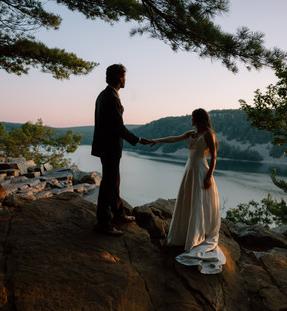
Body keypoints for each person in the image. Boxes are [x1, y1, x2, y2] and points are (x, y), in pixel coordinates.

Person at [150, 108, 226, 274]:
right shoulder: (192, 133)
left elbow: (213, 157)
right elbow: (174, 139)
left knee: (198, 202)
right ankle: (185, 234)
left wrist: (208, 177)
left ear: (198, 119)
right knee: (187, 201)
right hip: (189, 170)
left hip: (200, 171)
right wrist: (157, 140)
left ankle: (197, 236)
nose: (190, 119)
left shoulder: (208, 134)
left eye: (192, 117)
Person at [91, 64, 151, 236]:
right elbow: (118, 127)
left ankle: (118, 214)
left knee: (114, 180)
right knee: (108, 184)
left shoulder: (104, 95)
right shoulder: (111, 97)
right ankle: (103, 223)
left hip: (105, 146)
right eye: (125, 76)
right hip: (110, 147)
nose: (126, 80)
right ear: (119, 77)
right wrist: (138, 140)